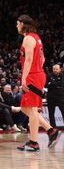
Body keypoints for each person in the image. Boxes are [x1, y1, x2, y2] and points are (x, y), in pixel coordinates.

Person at [16, 15, 59, 151]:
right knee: (25, 108)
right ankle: (51, 130)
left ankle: (33, 142)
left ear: (23, 24)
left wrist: (24, 78)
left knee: (32, 109)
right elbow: (43, 59)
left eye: (17, 24)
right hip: (37, 74)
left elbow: (28, 60)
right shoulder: (36, 37)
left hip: (33, 76)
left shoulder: (28, 38)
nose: (16, 26)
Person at [46, 63, 64, 131]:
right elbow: (46, 85)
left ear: (60, 69)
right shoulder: (49, 76)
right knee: (51, 114)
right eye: (54, 69)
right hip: (51, 97)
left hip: (61, 97)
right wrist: (56, 85)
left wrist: (52, 83)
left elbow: (61, 84)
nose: (55, 70)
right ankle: (53, 128)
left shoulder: (62, 76)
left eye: (56, 69)